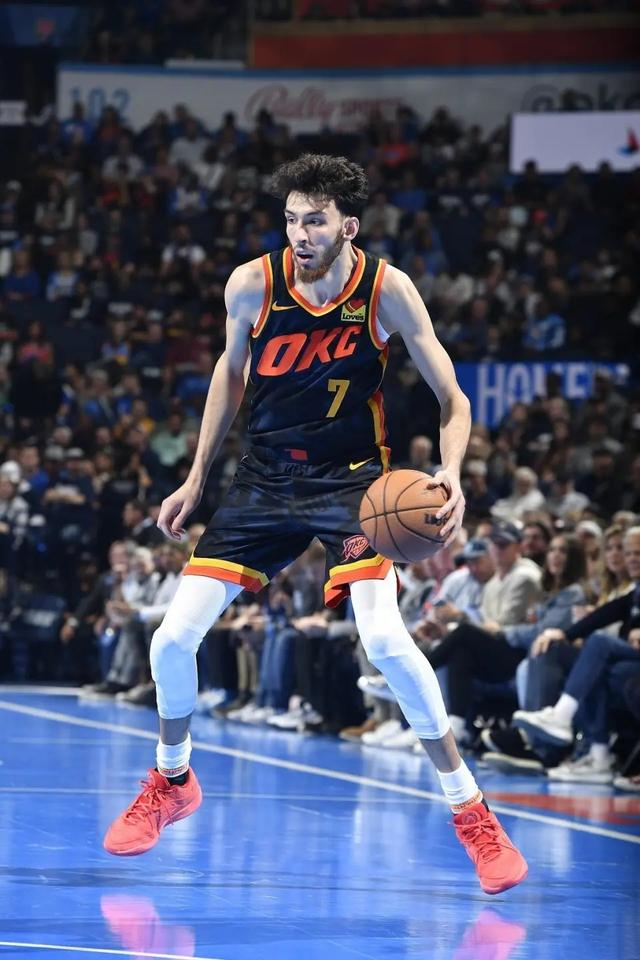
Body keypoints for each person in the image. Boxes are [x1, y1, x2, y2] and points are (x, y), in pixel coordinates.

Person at [103, 153, 527, 895]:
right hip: (265, 477)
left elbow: (454, 400)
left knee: (386, 641)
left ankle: (471, 811)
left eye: (316, 221)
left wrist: (453, 471)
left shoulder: (386, 290)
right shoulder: (251, 284)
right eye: (292, 220)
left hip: (353, 482)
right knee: (170, 639)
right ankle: (172, 780)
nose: (300, 234)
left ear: (348, 227)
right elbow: (229, 374)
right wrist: (196, 477)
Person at [512, 527, 640, 783]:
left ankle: (560, 717)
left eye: (637, 553)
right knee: (592, 661)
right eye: (629, 553)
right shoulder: (635, 591)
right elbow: (610, 611)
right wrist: (566, 634)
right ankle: (599, 757)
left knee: (599, 643)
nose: (631, 559)